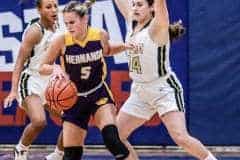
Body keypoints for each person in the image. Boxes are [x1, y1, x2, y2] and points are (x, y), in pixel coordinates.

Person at [113, 0, 218, 160]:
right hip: (140, 91)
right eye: (133, 4)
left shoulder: (157, 27)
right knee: (115, 136)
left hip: (163, 89)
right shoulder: (131, 21)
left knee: (180, 137)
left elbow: (161, 4)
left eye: (140, 4)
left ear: (152, 7)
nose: (134, 8)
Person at [39, 1, 137, 159]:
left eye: (72, 22)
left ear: (85, 19)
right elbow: (42, 66)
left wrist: (125, 46)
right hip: (73, 99)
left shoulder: (100, 35)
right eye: (66, 23)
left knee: (112, 140)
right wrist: (55, 68)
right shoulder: (61, 40)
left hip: (98, 93)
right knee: (71, 155)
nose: (69, 27)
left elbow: (108, 50)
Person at [3, 0, 64, 160]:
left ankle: (58, 154)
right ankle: (21, 149)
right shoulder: (34, 31)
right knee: (39, 121)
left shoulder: (60, 27)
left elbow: (63, 54)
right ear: (39, 10)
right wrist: (13, 90)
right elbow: (19, 63)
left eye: (55, 6)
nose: (53, 10)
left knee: (72, 121)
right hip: (31, 81)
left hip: (51, 81)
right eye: (48, 7)